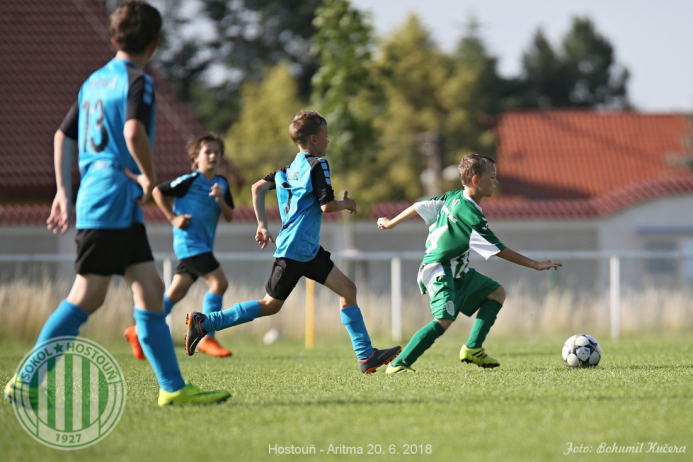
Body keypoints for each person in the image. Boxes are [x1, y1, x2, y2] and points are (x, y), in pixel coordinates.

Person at [4, 1, 229, 406]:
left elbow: (62, 136)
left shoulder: (93, 81)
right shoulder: (137, 81)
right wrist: (147, 174)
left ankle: (173, 389)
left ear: (112, 38)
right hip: (114, 196)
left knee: (149, 288)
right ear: (156, 43)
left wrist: (62, 191)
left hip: (101, 196)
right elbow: (132, 132)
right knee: (88, 295)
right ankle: (26, 379)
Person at [184, 111, 401, 374]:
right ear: (314, 138)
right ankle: (205, 323)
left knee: (348, 290)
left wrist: (262, 224)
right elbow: (326, 206)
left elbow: (256, 188)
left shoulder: (287, 170)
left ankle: (366, 355)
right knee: (269, 305)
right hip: (296, 250)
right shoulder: (317, 165)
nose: (328, 141)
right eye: (326, 136)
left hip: (305, 249)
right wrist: (347, 204)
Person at [376, 154, 562, 373]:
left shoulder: (454, 197)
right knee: (443, 320)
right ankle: (399, 364)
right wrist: (535, 264)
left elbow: (419, 206)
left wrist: (390, 223)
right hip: (440, 270)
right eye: (492, 177)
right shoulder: (471, 215)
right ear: (476, 180)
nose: (496, 182)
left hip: (458, 271)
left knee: (496, 293)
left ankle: (473, 348)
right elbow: (498, 249)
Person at [123, 134, 236, 359]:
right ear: (196, 157)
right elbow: (157, 191)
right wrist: (173, 218)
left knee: (175, 293)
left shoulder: (221, 183)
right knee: (219, 282)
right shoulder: (189, 180)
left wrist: (220, 200)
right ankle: (207, 337)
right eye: (208, 152)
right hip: (190, 243)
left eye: (217, 152)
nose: (213, 156)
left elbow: (230, 215)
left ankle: (138, 331)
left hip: (202, 245)